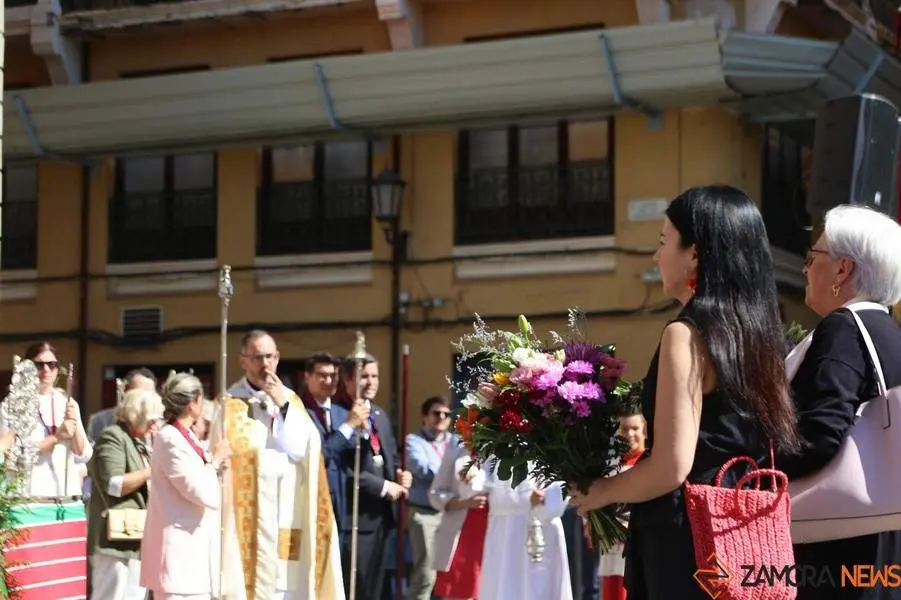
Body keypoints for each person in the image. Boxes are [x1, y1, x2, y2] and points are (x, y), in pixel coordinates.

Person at [569, 185, 801, 599]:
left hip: (690, 543)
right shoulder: (759, 335)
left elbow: (671, 467)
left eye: (663, 242)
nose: (657, 257)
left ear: (694, 253)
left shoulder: (687, 334)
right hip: (746, 535)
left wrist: (601, 491)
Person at [777, 205, 901, 600]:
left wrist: (764, 465)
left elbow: (822, 431)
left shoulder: (843, 328)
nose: (804, 268)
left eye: (813, 259)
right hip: (880, 537)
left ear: (843, 270)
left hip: (834, 546)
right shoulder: (888, 331)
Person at [215, 330, 345, 600]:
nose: (265, 364)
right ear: (243, 361)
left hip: (288, 513)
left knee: (288, 586)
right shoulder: (227, 404)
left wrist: (283, 405)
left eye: (270, 356)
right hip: (246, 519)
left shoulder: (291, 399)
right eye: (258, 357)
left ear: (278, 358)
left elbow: (307, 449)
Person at [139, 372, 231, 600]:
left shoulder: (187, 436)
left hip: (194, 553)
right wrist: (216, 460)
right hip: (178, 555)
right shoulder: (170, 438)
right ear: (194, 403)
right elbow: (197, 490)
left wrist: (216, 464)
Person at [335, 351, 412, 600]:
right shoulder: (340, 415)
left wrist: (401, 475)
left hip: (384, 518)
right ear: (347, 381)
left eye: (374, 375)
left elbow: (391, 455)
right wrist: (383, 486)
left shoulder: (379, 414)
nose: (371, 382)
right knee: (358, 589)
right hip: (355, 520)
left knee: (379, 590)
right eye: (363, 376)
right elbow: (342, 469)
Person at [88, 387, 164, 600]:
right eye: (151, 420)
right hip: (114, 538)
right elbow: (113, 484)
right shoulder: (113, 436)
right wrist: (152, 470)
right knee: (110, 595)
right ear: (135, 415)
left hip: (133, 536)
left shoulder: (136, 441)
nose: (154, 425)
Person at [0, 342, 92, 498]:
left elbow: (82, 453)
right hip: (30, 493)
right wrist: (56, 438)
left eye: (52, 364)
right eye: (39, 365)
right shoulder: (12, 404)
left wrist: (73, 427)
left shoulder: (67, 402)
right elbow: (10, 454)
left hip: (65, 492)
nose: (46, 370)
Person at [478, 462, 572, 600]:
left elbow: (566, 476)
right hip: (503, 529)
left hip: (540, 522)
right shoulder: (493, 445)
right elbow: (484, 474)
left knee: (539, 585)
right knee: (503, 583)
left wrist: (547, 496)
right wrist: (472, 475)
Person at [301, 352, 368, 532]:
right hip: (313, 497)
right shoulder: (299, 413)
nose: (329, 381)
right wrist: (349, 425)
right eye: (322, 375)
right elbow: (321, 453)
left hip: (342, 500)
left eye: (333, 376)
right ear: (307, 377)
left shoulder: (342, 412)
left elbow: (356, 453)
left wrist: (366, 431)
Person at [404, 396, 458, 600]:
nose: (442, 417)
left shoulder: (456, 442)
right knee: (426, 574)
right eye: (436, 413)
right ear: (425, 417)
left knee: (453, 574)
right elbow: (422, 468)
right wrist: (456, 474)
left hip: (453, 513)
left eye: (446, 414)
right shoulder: (414, 441)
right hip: (425, 514)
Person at [429, 441, 489, 600]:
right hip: (463, 531)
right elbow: (435, 493)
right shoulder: (457, 448)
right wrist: (464, 502)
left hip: (496, 530)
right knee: (459, 592)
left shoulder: (508, 448)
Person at [599, 408, 647, 600]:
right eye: (625, 429)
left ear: (644, 429)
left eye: (634, 428)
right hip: (612, 549)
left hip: (641, 547)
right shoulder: (610, 466)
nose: (630, 434)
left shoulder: (651, 466)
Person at [88, 368, 158, 444]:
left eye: (151, 395)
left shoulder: (158, 423)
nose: (146, 401)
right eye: (139, 394)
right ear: (126, 391)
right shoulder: (100, 420)